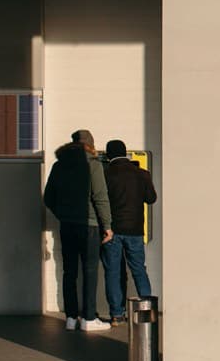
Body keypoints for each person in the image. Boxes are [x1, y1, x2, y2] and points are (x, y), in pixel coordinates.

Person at [44, 129, 114, 332]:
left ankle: (71, 318)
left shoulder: (59, 166)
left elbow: (48, 197)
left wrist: (63, 214)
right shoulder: (93, 165)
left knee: (69, 271)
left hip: (67, 226)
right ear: (90, 145)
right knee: (90, 271)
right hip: (89, 226)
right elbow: (101, 197)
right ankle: (89, 318)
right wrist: (107, 226)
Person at [100, 139, 157, 326]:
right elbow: (151, 198)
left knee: (113, 271)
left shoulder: (105, 175)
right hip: (135, 230)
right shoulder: (141, 174)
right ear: (126, 153)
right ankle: (147, 311)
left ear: (109, 155)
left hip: (112, 231)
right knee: (139, 270)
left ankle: (117, 314)